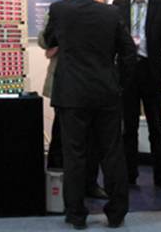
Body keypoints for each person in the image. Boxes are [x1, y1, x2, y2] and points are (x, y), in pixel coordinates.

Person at [43, 0, 137, 229]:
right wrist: (119, 84)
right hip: (106, 93)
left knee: (74, 155)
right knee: (112, 153)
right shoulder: (111, 13)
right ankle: (116, 213)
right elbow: (129, 53)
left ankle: (76, 215)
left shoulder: (59, 10)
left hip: (71, 95)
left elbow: (49, 40)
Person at [112, 0, 161, 190]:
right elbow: (114, 40)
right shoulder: (118, 5)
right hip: (127, 71)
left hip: (152, 70)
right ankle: (129, 175)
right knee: (128, 126)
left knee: (155, 126)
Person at [38, 17, 108, 200]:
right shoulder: (57, 14)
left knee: (91, 138)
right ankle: (56, 185)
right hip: (63, 83)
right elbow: (43, 41)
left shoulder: (97, 14)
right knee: (61, 136)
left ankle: (89, 184)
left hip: (91, 83)